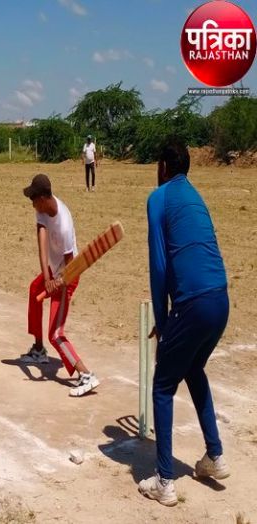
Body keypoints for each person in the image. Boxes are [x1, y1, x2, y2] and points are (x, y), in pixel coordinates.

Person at [138, 140, 230, 507]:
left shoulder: (158, 198)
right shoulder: (195, 196)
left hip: (192, 303)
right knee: (193, 368)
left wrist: (163, 323)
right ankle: (215, 455)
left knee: (162, 385)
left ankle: (164, 481)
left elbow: (159, 266)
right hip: (220, 299)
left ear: (163, 166)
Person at [20, 174, 99, 397]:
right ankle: (38, 350)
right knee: (34, 290)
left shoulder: (64, 223)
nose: (31, 204)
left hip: (69, 276)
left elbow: (70, 265)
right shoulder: (43, 210)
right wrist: (47, 279)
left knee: (55, 333)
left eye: (33, 199)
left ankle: (86, 374)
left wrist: (59, 282)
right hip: (54, 272)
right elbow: (42, 243)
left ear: (43, 198)